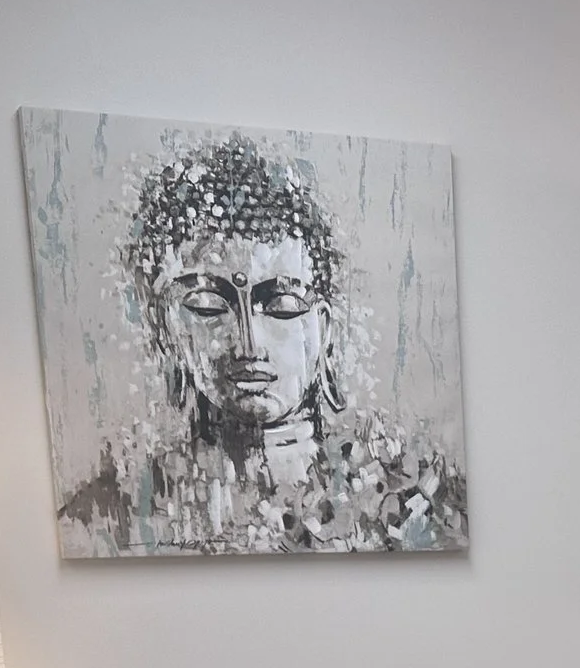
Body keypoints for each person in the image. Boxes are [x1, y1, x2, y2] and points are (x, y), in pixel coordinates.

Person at [57, 134, 466, 554]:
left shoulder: (411, 495)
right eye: (208, 306)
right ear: (168, 329)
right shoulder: (107, 516)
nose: (248, 344)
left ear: (323, 330)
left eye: (283, 307)